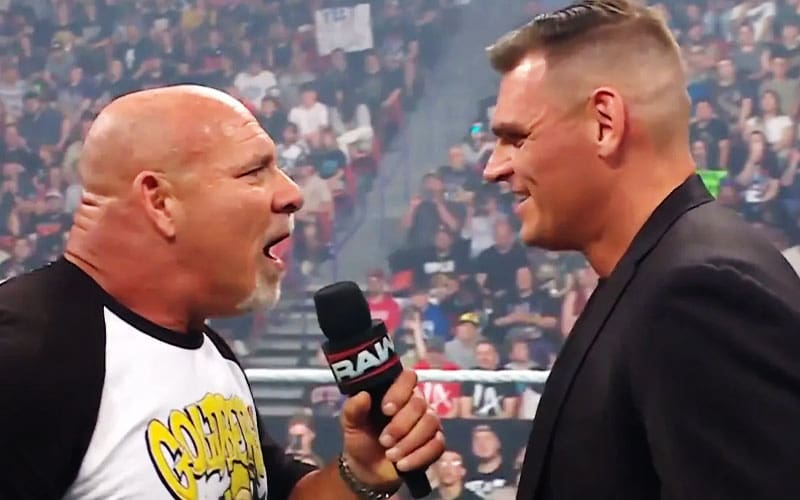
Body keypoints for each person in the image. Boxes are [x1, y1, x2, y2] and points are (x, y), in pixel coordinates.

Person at [0, 85, 445, 499]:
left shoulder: (209, 351)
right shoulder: (28, 353)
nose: (292, 194)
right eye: (254, 172)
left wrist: (359, 473)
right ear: (160, 201)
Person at [482, 0, 800, 498]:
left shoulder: (696, 294)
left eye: (516, 138)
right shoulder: (653, 276)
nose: (493, 168)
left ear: (604, 124)